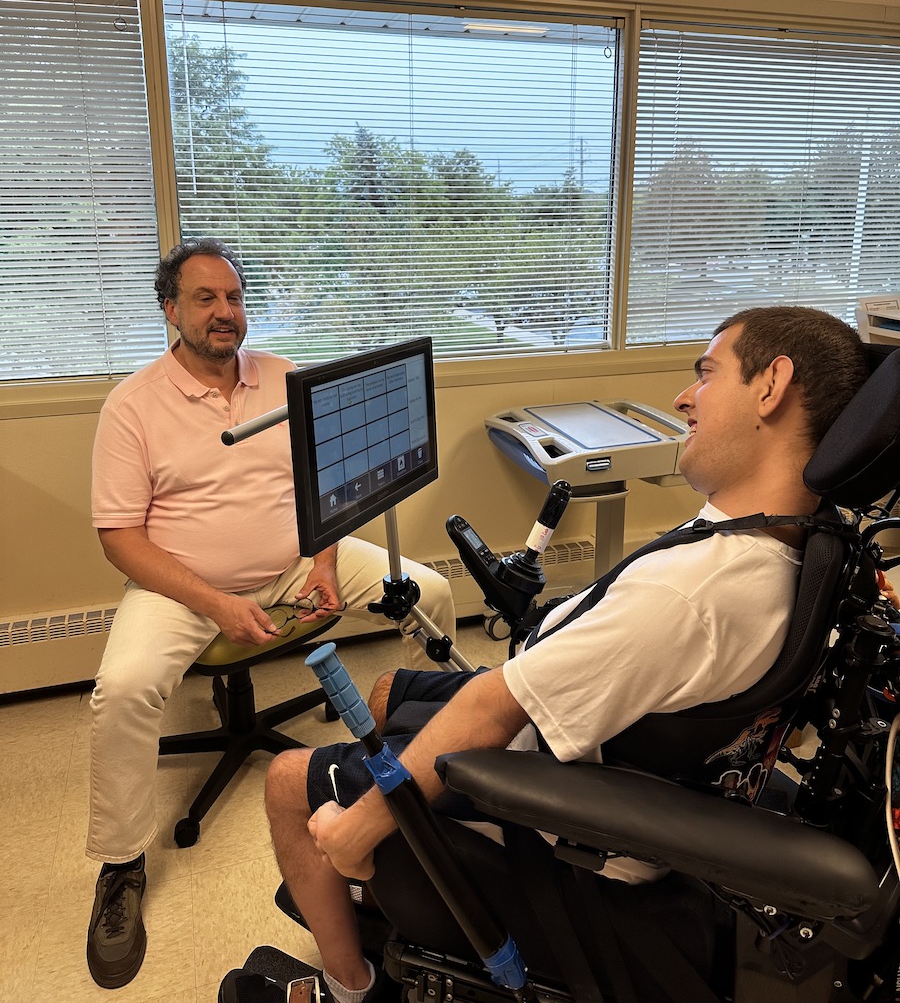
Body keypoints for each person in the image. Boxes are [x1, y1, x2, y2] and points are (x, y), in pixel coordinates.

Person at [263, 305, 871, 1003]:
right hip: (594, 730)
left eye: (707, 374)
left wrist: (352, 834)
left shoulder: (689, 597)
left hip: (554, 807)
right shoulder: (795, 532)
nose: (684, 397)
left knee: (287, 780)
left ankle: (348, 986)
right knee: (382, 696)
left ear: (772, 387)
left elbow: (495, 708)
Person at [85, 237, 456, 990]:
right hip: (183, 587)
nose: (225, 313)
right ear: (170, 310)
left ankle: (418, 771)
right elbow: (119, 537)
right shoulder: (133, 406)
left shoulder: (287, 379)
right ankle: (120, 866)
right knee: (121, 691)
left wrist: (322, 560)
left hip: (297, 561)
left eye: (234, 297)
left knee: (432, 595)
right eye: (204, 299)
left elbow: (335, 484)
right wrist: (216, 602)